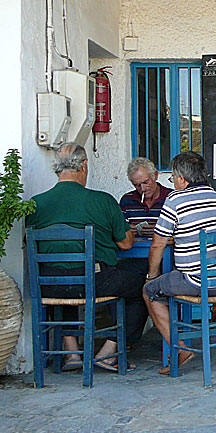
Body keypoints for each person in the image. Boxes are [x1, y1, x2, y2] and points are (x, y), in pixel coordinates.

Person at [26, 142, 144, 372]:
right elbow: (126, 243)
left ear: (57, 169)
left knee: (63, 276)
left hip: (48, 286)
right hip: (95, 281)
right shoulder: (102, 201)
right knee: (143, 288)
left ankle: (71, 354)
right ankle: (108, 352)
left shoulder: (36, 204)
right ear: (84, 166)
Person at [143, 151, 216, 375]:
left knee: (150, 290)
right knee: (198, 273)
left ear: (182, 179)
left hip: (201, 283)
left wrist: (151, 276)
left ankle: (181, 348)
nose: (172, 183)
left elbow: (157, 245)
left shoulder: (175, 200)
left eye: (172, 178)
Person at [119, 157, 171, 235]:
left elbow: (182, 230)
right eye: (137, 185)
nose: (143, 188)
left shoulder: (171, 198)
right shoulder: (127, 201)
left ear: (155, 176)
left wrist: (160, 231)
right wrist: (126, 230)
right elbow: (118, 230)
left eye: (146, 182)